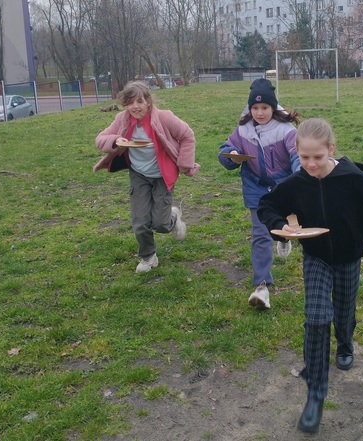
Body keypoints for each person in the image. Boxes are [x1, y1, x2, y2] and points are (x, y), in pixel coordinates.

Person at [257, 118, 363, 433]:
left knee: (343, 313)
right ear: (297, 153)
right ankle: (315, 392)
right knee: (316, 318)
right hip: (315, 257)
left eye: (318, 156)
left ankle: (345, 343)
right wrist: (281, 227)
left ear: (331, 149)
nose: (311, 164)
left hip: (348, 257)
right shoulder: (297, 182)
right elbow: (268, 206)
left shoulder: (352, 179)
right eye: (304, 157)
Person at [95, 80, 199, 273]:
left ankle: (174, 218)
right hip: (139, 175)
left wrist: (184, 163)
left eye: (139, 102)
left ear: (148, 102)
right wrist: (115, 140)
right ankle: (148, 256)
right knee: (140, 222)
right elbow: (100, 139)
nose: (135, 107)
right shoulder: (122, 119)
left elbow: (187, 135)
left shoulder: (164, 118)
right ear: (125, 104)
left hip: (162, 175)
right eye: (130, 103)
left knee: (160, 223)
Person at [218, 78, 300, 310]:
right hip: (256, 188)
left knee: (283, 228)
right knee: (260, 234)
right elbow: (225, 150)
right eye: (255, 108)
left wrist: (300, 177)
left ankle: (284, 239)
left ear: (273, 107)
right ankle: (262, 286)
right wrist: (231, 155)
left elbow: (297, 156)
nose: (260, 112)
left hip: (284, 186)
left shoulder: (286, 131)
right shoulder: (243, 130)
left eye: (264, 108)